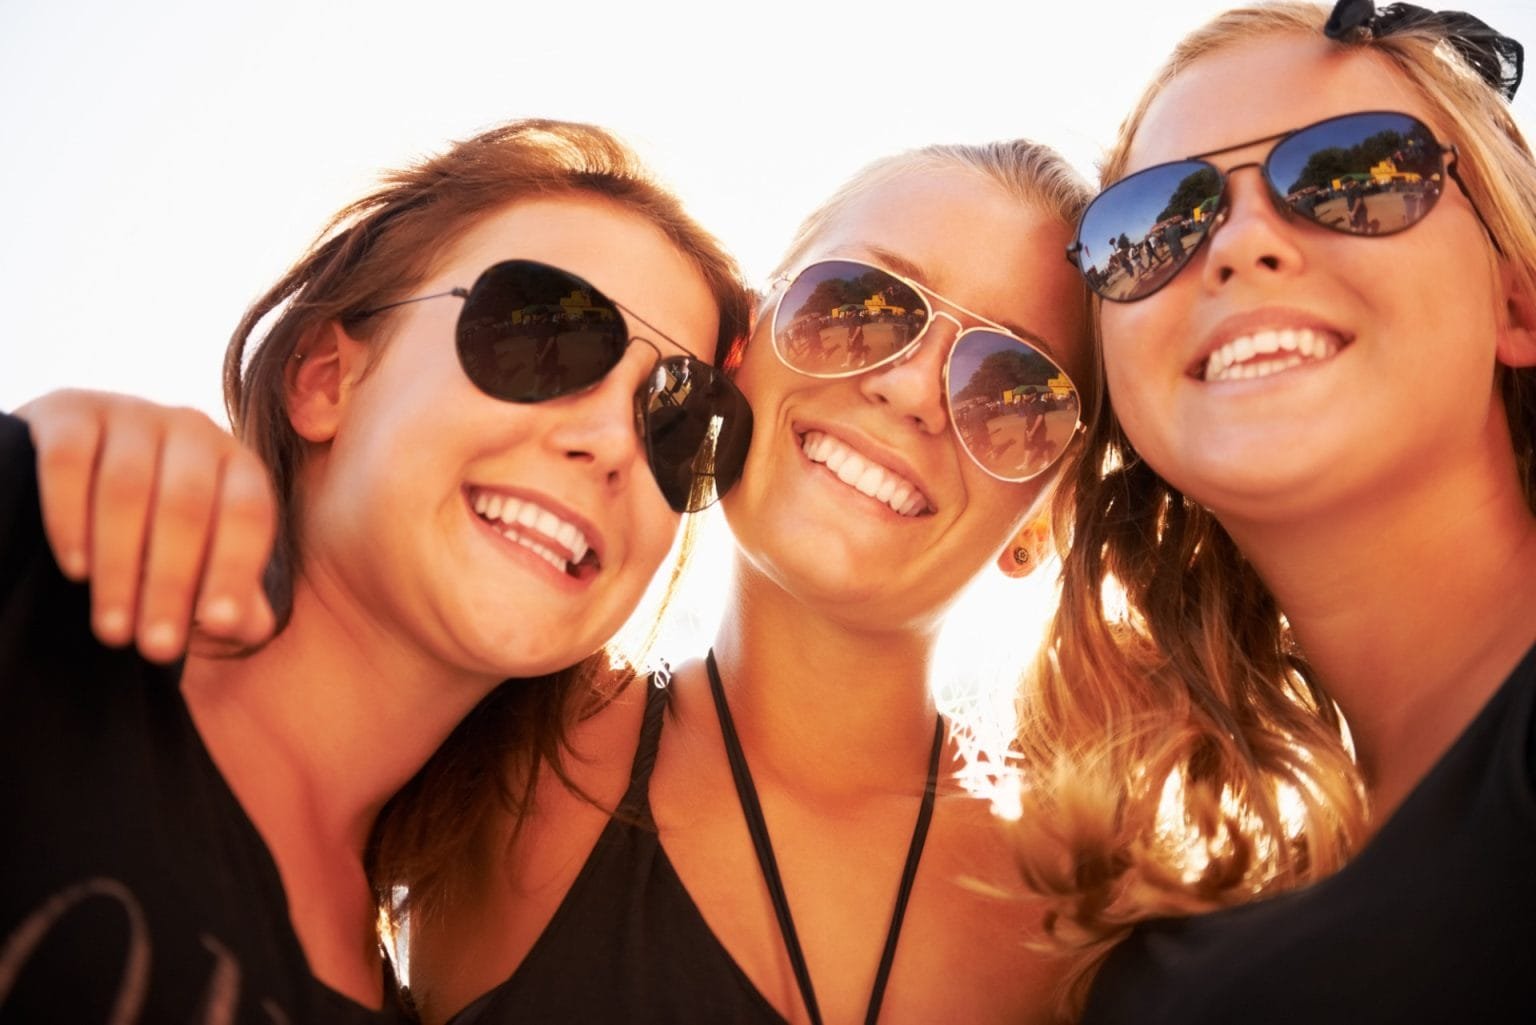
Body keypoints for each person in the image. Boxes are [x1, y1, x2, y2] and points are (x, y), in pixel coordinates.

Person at [38, 137, 1097, 1024]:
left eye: (1017, 385)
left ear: (1052, 511)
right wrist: (65, 464)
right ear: (744, 362)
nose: (911, 389)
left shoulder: (1101, 914)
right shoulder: (517, 741)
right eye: (855, 303)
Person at [1, 118, 753, 1022]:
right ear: (325, 378)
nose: (611, 442)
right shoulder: (30, 586)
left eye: (680, 421)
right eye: (543, 335)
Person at [1039, 2, 1536, 1020]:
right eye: (1156, 225)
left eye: (1349, 174)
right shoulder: (1149, 945)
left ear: (1518, 302)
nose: (1239, 244)